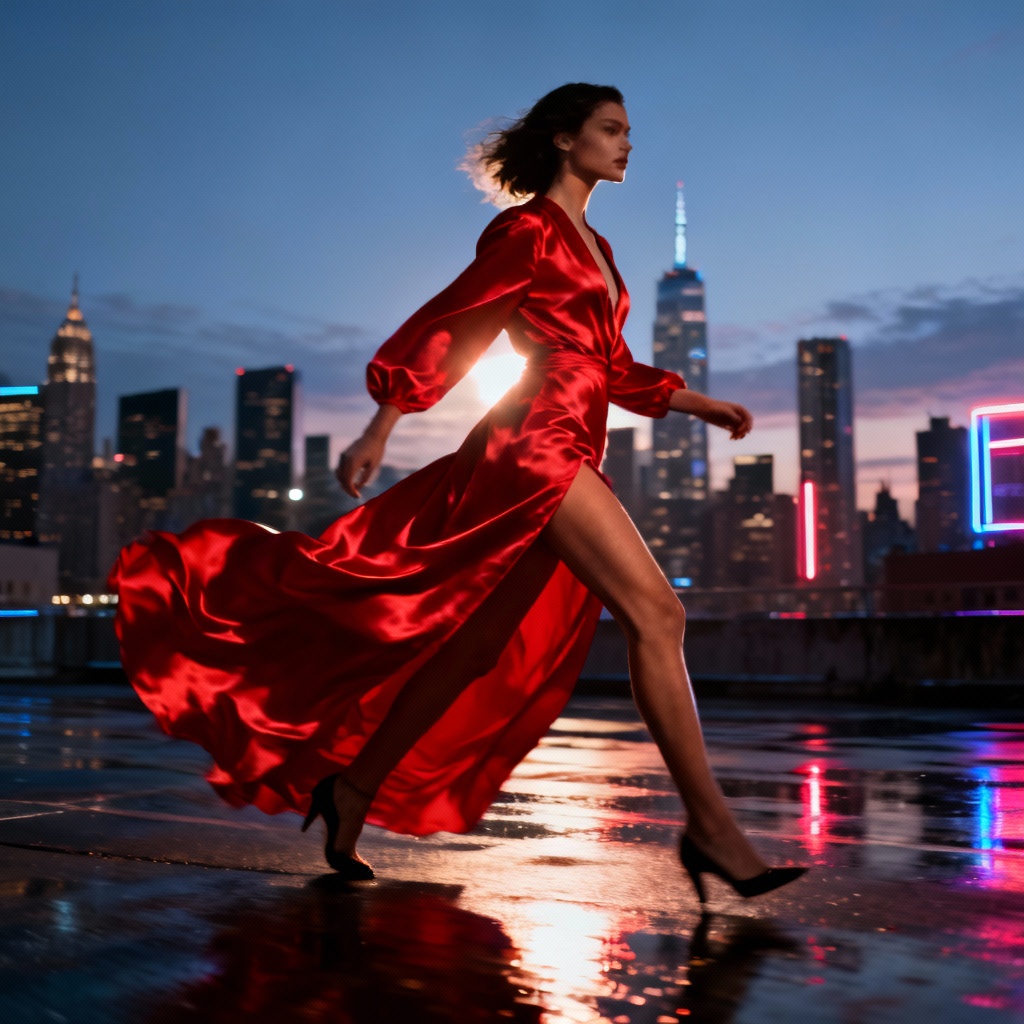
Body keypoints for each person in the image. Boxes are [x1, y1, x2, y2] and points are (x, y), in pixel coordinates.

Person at [110, 83, 805, 902]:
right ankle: (712, 831)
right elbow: (454, 322)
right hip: (535, 449)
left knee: (473, 650)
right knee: (659, 613)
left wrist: (698, 403)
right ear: (562, 139)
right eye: (611, 130)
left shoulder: (601, 249)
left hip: (575, 445)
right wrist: (383, 423)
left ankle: (353, 788)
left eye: (629, 132)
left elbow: (612, 367)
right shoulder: (527, 230)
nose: (627, 145)